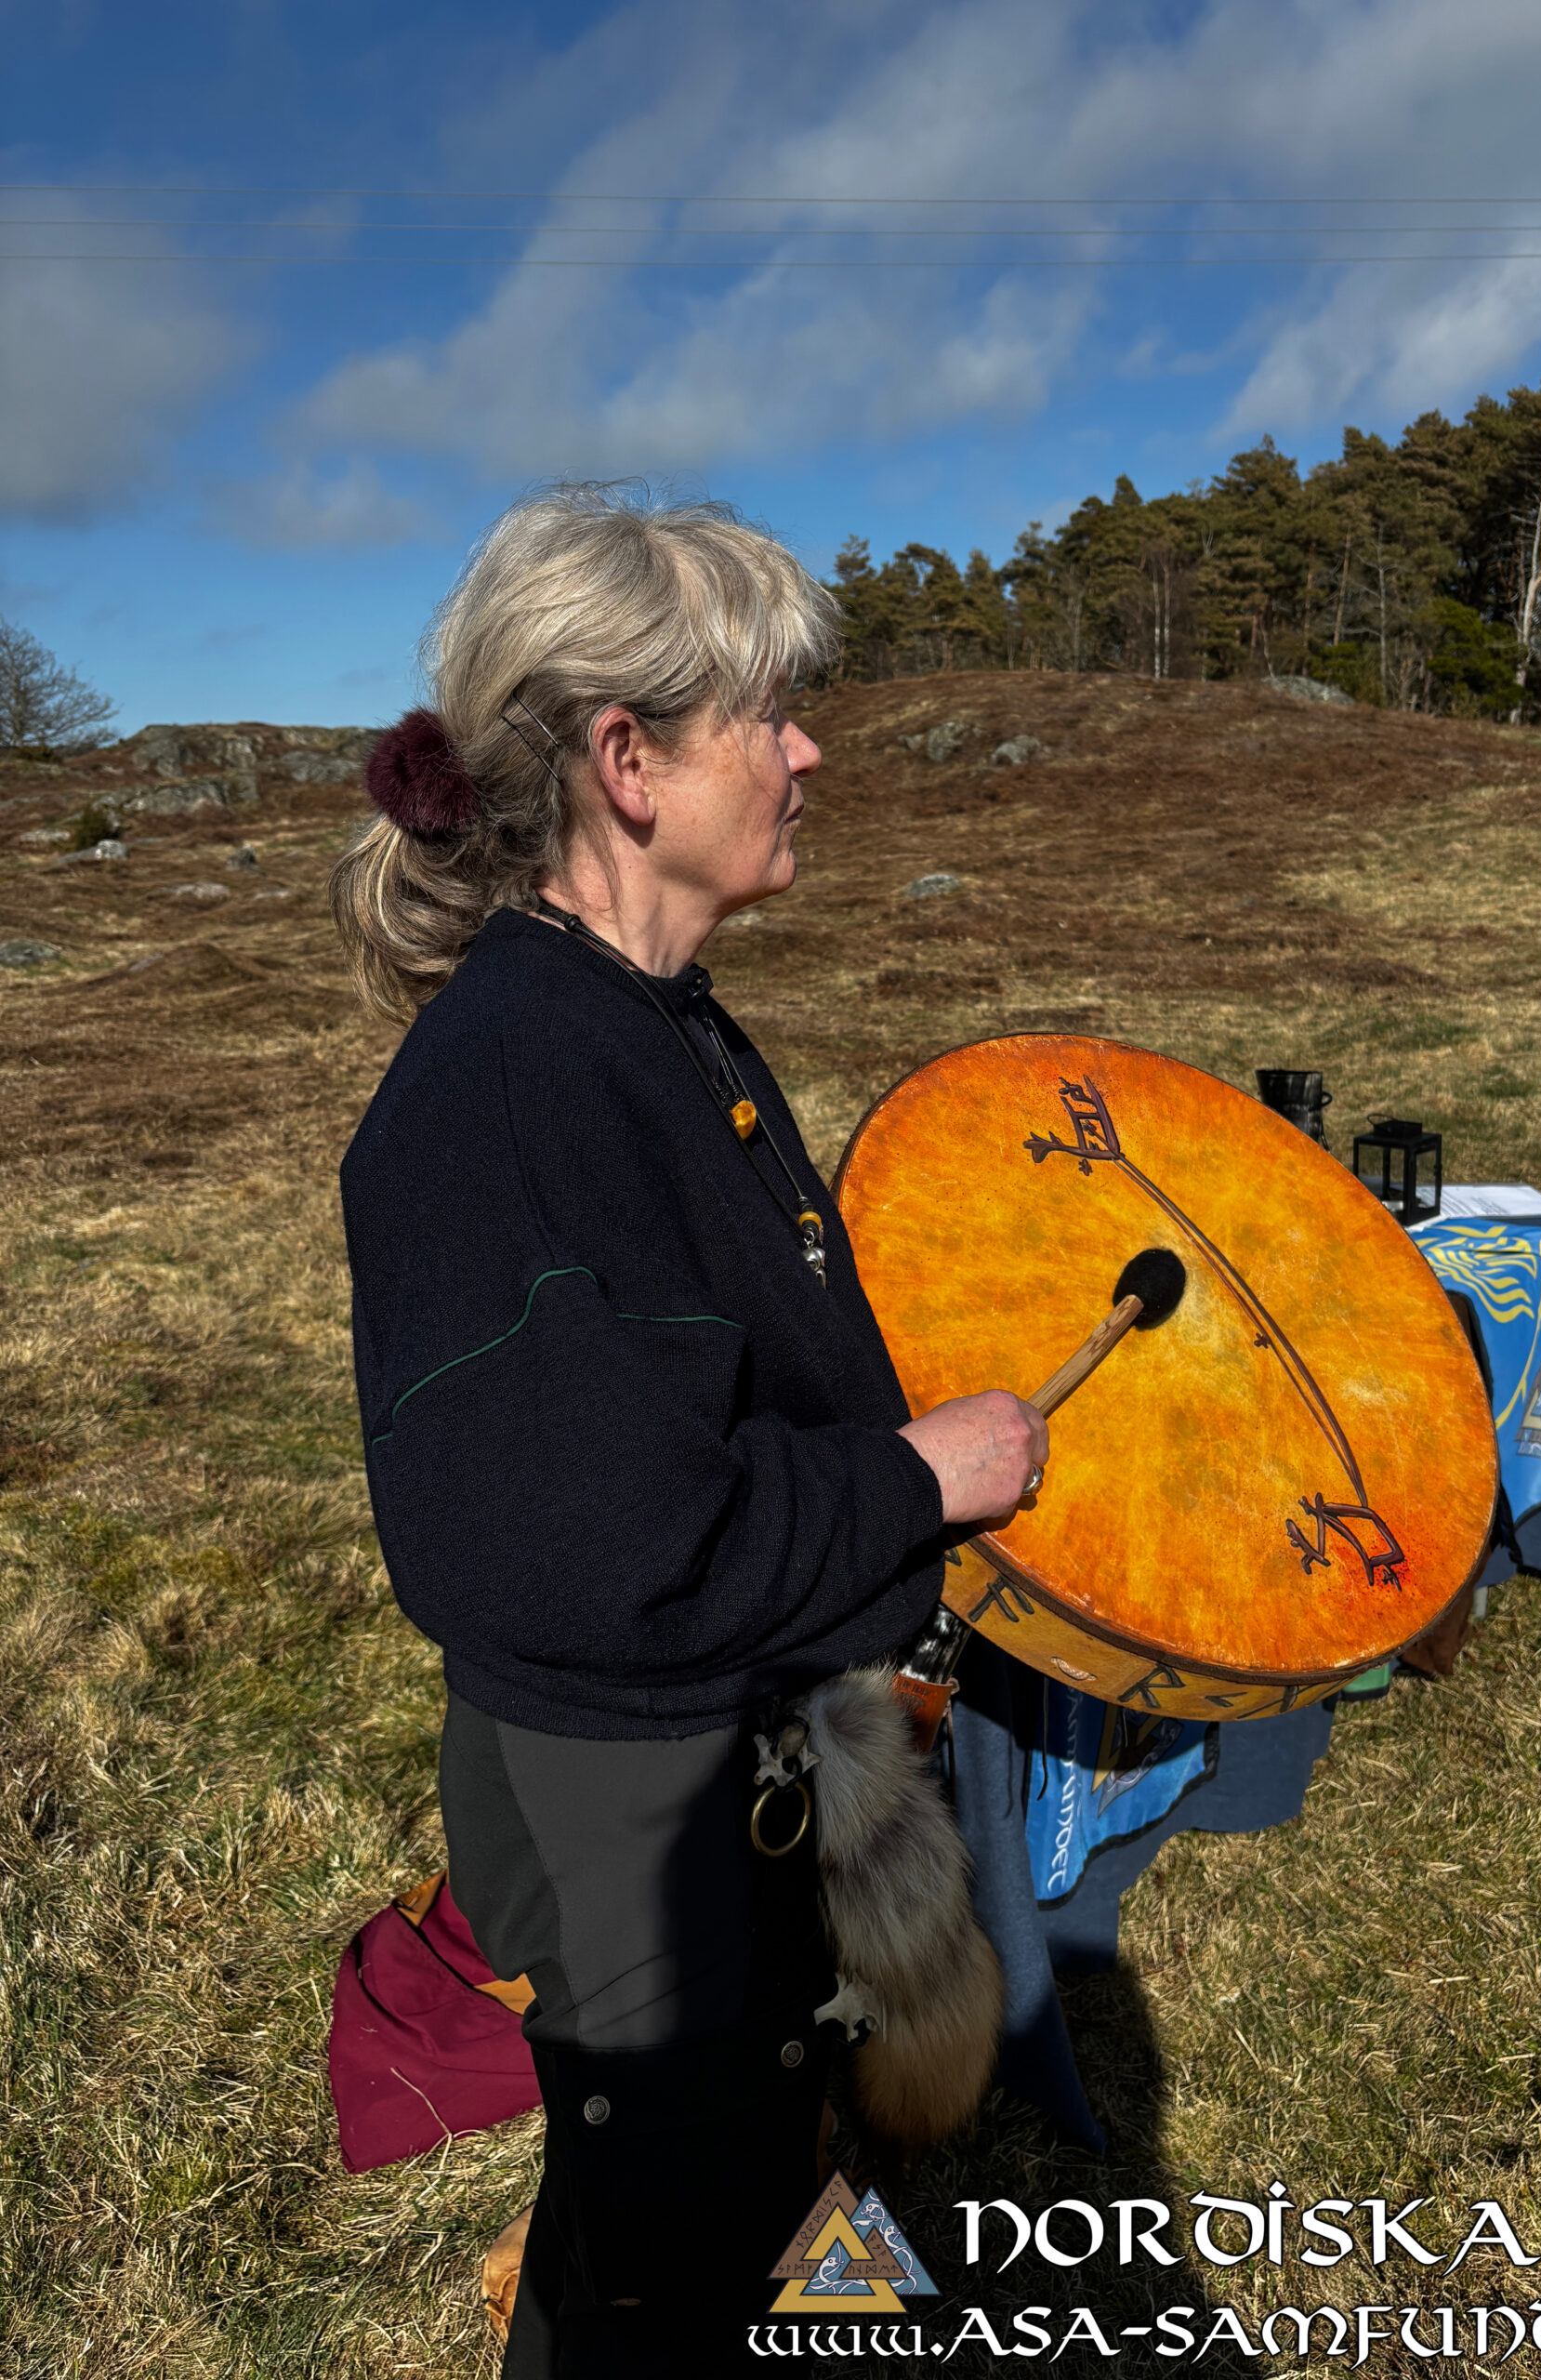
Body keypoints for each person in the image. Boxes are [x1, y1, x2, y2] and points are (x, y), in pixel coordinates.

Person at [330, 485, 1047, 2376]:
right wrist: (922, 1476)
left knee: (762, 2162)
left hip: (739, 1752)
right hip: (638, 1793)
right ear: (629, 760)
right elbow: (587, 1545)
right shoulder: (508, 1090)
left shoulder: (660, 1024)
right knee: (677, 2244)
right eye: (768, 709)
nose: (811, 746)